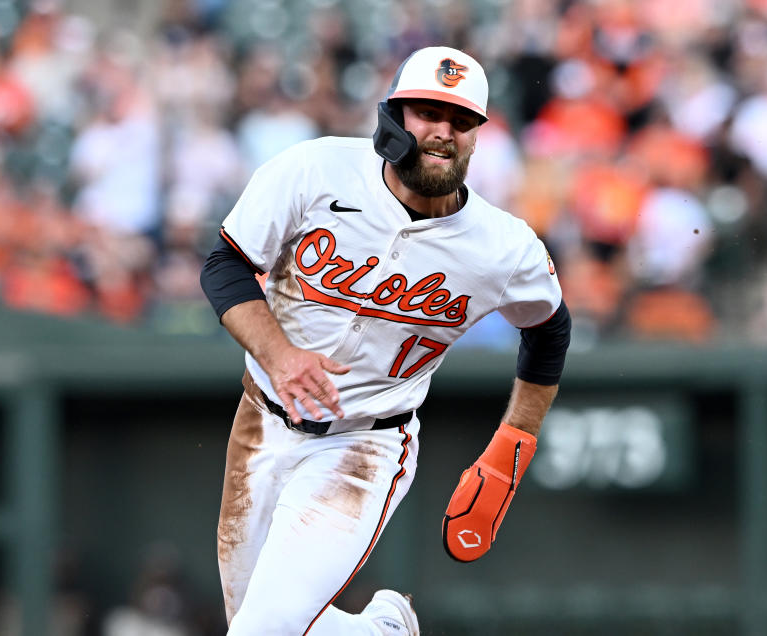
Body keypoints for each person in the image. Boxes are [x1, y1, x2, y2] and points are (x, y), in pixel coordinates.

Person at [200, 46, 571, 635]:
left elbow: (549, 329)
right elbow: (224, 265)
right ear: (393, 116)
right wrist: (281, 355)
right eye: (428, 112)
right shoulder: (314, 170)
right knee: (256, 624)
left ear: (477, 136)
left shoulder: (503, 247)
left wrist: (513, 442)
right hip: (260, 423)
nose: (444, 132)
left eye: (461, 120)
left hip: (362, 448)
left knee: (260, 632)